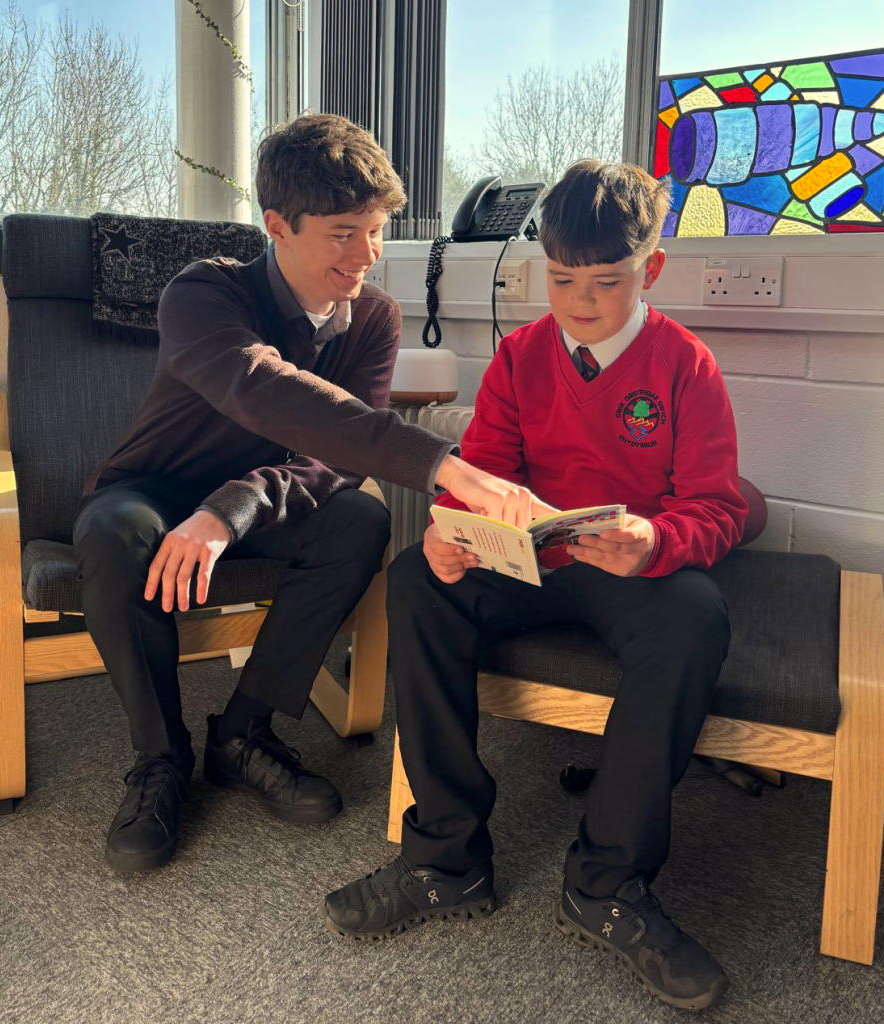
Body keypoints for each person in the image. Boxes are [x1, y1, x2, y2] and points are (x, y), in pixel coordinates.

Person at [323, 159, 748, 1012]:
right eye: (561, 281)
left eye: (606, 282)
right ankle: (446, 858)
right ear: (541, 271)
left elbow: (720, 506)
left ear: (650, 270)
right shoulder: (521, 355)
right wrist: (452, 533)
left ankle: (607, 882)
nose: (581, 302)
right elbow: (480, 472)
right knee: (416, 581)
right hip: (529, 561)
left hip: (627, 568)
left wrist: (656, 540)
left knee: (697, 617)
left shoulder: (686, 365)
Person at [73, 114, 538, 875]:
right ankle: (160, 758)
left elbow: (332, 462)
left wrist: (230, 511)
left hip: (262, 504)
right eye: (343, 234)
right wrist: (445, 466)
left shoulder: (376, 318)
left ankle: (242, 735)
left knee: (357, 521)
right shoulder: (201, 295)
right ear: (277, 225)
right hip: (150, 490)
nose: (367, 257)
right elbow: (266, 391)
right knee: (109, 534)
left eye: (377, 232)